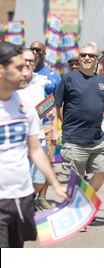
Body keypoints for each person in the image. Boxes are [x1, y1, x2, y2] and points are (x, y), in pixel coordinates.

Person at [0, 41, 68, 248]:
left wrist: (55, 184)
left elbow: (36, 149)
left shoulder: (25, 107)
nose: (26, 71)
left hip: (21, 198)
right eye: (19, 67)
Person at [55, 43, 104, 193]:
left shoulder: (102, 82)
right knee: (77, 179)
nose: (87, 58)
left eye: (91, 55)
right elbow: (57, 105)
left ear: (96, 59)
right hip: (74, 139)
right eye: (83, 55)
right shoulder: (69, 78)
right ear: (79, 58)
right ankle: (78, 208)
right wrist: (59, 127)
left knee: (102, 171)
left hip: (96, 140)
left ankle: (85, 199)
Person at [17, 48, 55, 211]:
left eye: (31, 61)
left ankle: (29, 199)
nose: (27, 63)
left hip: (38, 136)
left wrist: (52, 119)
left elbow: (48, 104)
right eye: (24, 60)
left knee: (39, 178)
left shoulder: (41, 80)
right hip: (17, 138)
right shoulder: (10, 80)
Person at [29, 41, 61, 210]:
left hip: (47, 123)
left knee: (46, 163)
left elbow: (56, 101)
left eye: (38, 50)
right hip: (27, 125)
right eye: (32, 49)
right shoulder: (22, 69)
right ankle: (27, 198)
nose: (35, 52)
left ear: (44, 53)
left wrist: (57, 127)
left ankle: (42, 197)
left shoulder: (52, 74)